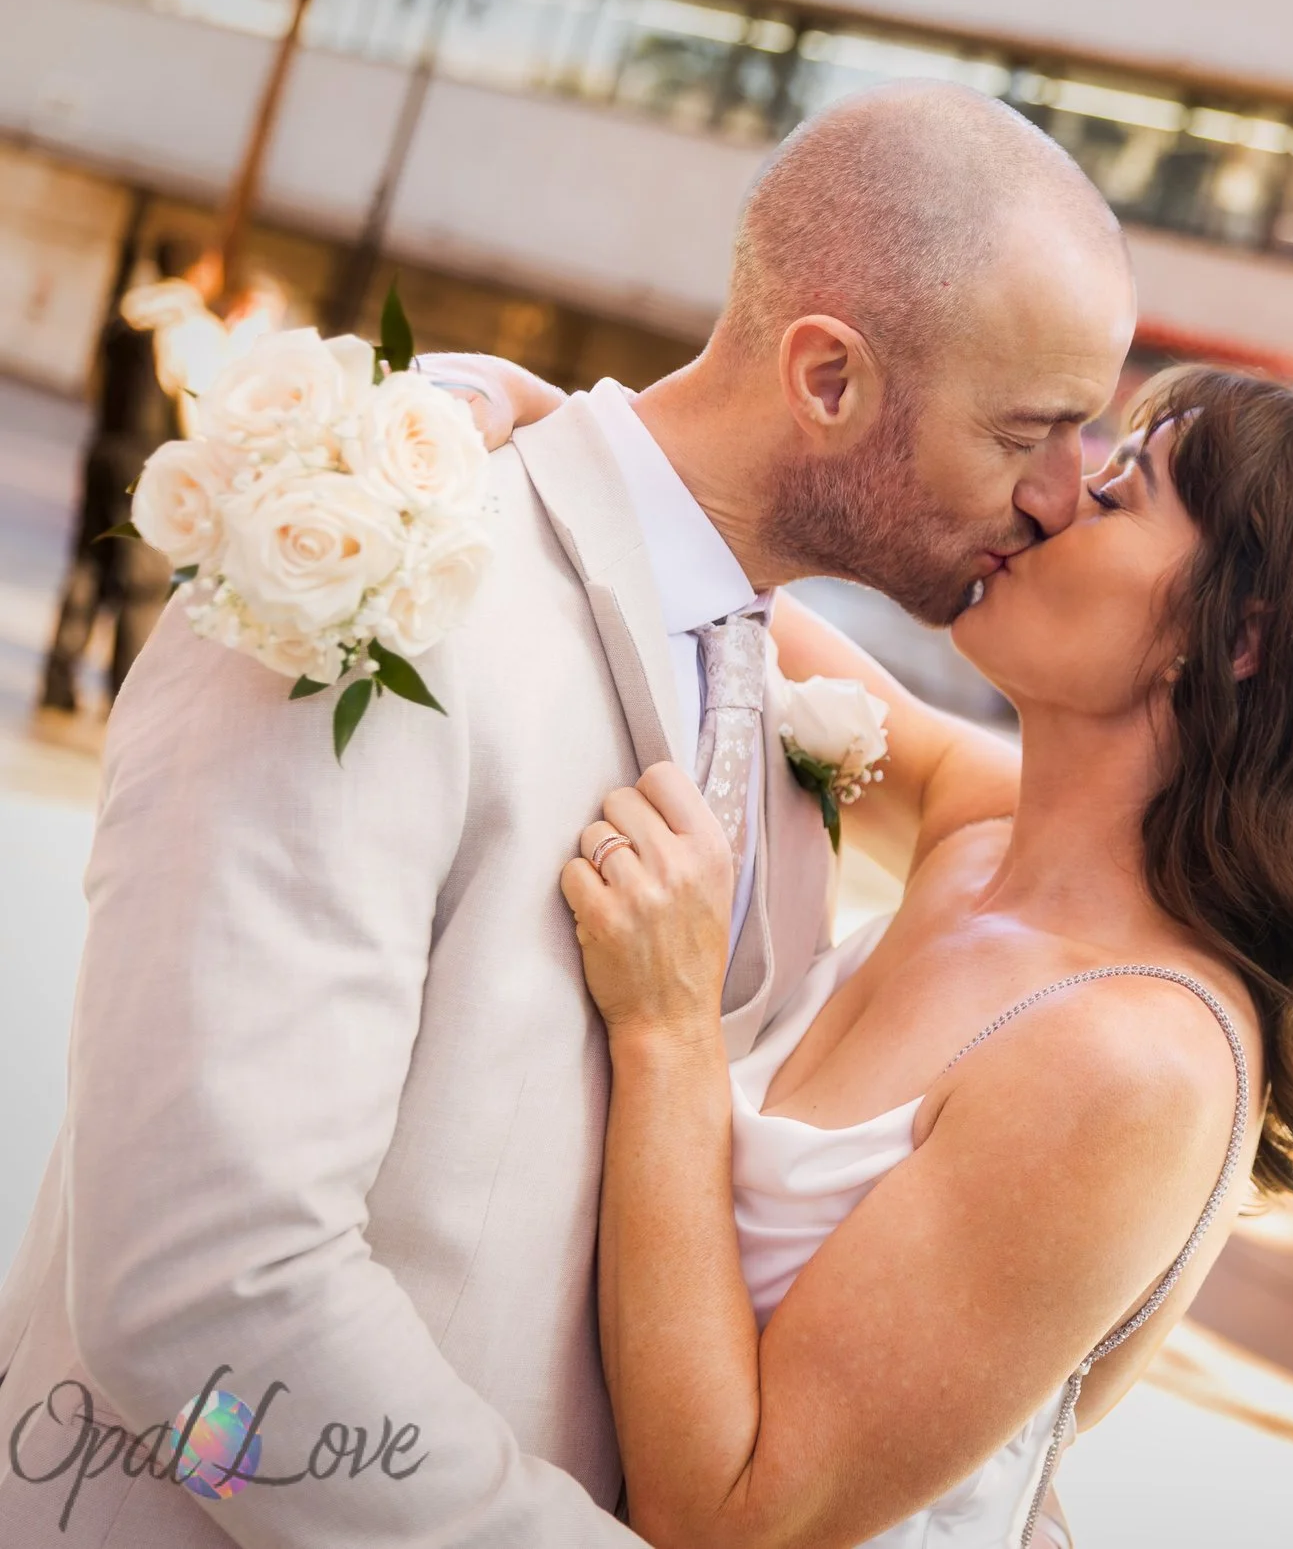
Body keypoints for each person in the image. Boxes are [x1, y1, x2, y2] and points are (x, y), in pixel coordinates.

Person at [0, 81, 1136, 1546]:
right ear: (831, 380)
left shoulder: (770, 677)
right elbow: (197, 1297)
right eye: (1029, 430)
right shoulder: (374, 587)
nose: (1064, 492)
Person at [557, 367, 1293, 1546]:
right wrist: (561, 435)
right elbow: (752, 629)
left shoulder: (1126, 1062)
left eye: (1122, 491)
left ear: (1235, 636)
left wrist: (666, 1026)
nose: (1050, 497)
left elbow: (730, 1516)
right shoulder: (984, 831)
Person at [37, 236, 189, 713]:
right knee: (141, 581)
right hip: (146, 459)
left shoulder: (120, 319)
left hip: (103, 446)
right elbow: (190, 402)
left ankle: (58, 680)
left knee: (86, 563)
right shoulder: (186, 324)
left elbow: (93, 382)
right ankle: (122, 691)